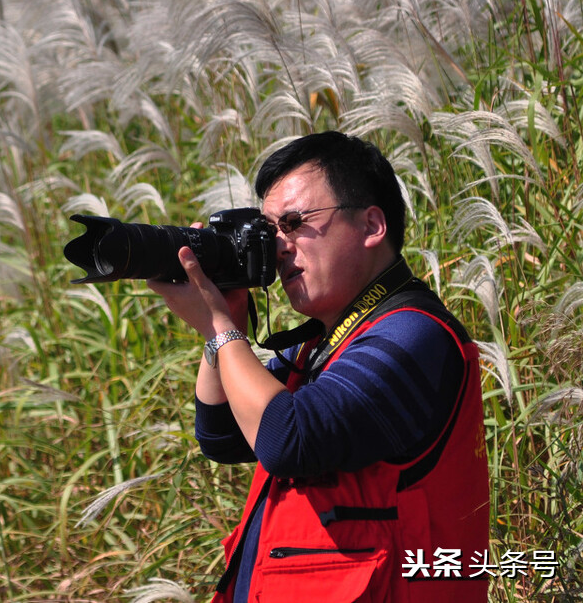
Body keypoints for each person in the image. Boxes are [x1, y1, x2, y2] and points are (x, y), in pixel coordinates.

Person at [148, 132, 489, 603]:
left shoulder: (416, 335)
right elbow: (222, 432)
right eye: (270, 232)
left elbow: (286, 439)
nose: (280, 247)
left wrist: (221, 327)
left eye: (294, 222)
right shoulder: (324, 346)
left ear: (372, 225)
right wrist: (219, 332)